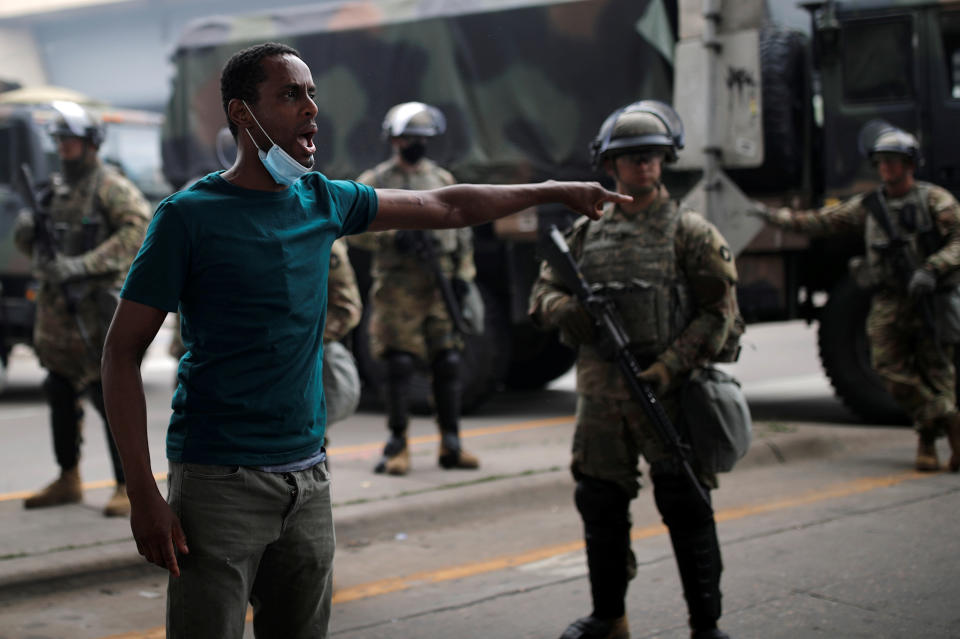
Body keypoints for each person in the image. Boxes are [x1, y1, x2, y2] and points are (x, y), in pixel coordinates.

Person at [100, 42, 629, 639]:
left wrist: (554, 190)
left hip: (309, 481)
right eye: (290, 94)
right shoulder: (188, 217)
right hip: (218, 483)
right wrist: (143, 495)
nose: (311, 109)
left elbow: (446, 205)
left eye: (313, 94)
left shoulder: (322, 200)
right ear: (242, 114)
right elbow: (121, 353)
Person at [530, 101, 740, 639]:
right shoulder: (586, 233)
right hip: (601, 396)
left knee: (686, 504)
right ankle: (610, 618)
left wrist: (670, 366)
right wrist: (568, 312)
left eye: (651, 156)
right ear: (609, 166)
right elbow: (544, 291)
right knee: (599, 504)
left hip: (668, 392)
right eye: (630, 158)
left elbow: (720, 313)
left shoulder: (689, 231)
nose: (642, 166)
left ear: (665, 160)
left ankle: (705, 624)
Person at [753, 122, 960, 473]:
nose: (886, 168)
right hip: (889, 299)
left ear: (910, 164)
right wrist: (773, 217)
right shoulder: (870, 206)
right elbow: (820, 221)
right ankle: (948, 418)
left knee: (936, 372)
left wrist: (932, 268)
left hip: (929, 298)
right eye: (881, 161)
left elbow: (958, 241)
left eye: (893, 161)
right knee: (887, 370)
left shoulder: (935, 200)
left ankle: (929, 443)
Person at [13, 100, 150, 518]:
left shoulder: (110, 186)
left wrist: (82, 265)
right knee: (58, 391)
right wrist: (28, 229)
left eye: (69, 141)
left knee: (108, 395)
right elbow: (31, 246)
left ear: (91, 143)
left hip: (93, 312)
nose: (63, 148)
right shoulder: (54, 190)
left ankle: (127, 486)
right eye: (59, 141)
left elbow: (138, 229)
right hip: (58, 318)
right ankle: (67, 476)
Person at [351, 101, 480, 475]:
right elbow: (350, 228)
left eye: (421, 138)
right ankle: (398, 443)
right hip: (397, 288)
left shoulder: (442, 180)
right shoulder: (375, 180)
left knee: (449, 362)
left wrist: (462, 279)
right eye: (409, 137)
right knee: (398, 364)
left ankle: (451, 442)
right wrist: (391, 238)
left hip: (439, 286)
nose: (416, 143)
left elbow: (463, 232)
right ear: (394, 140)